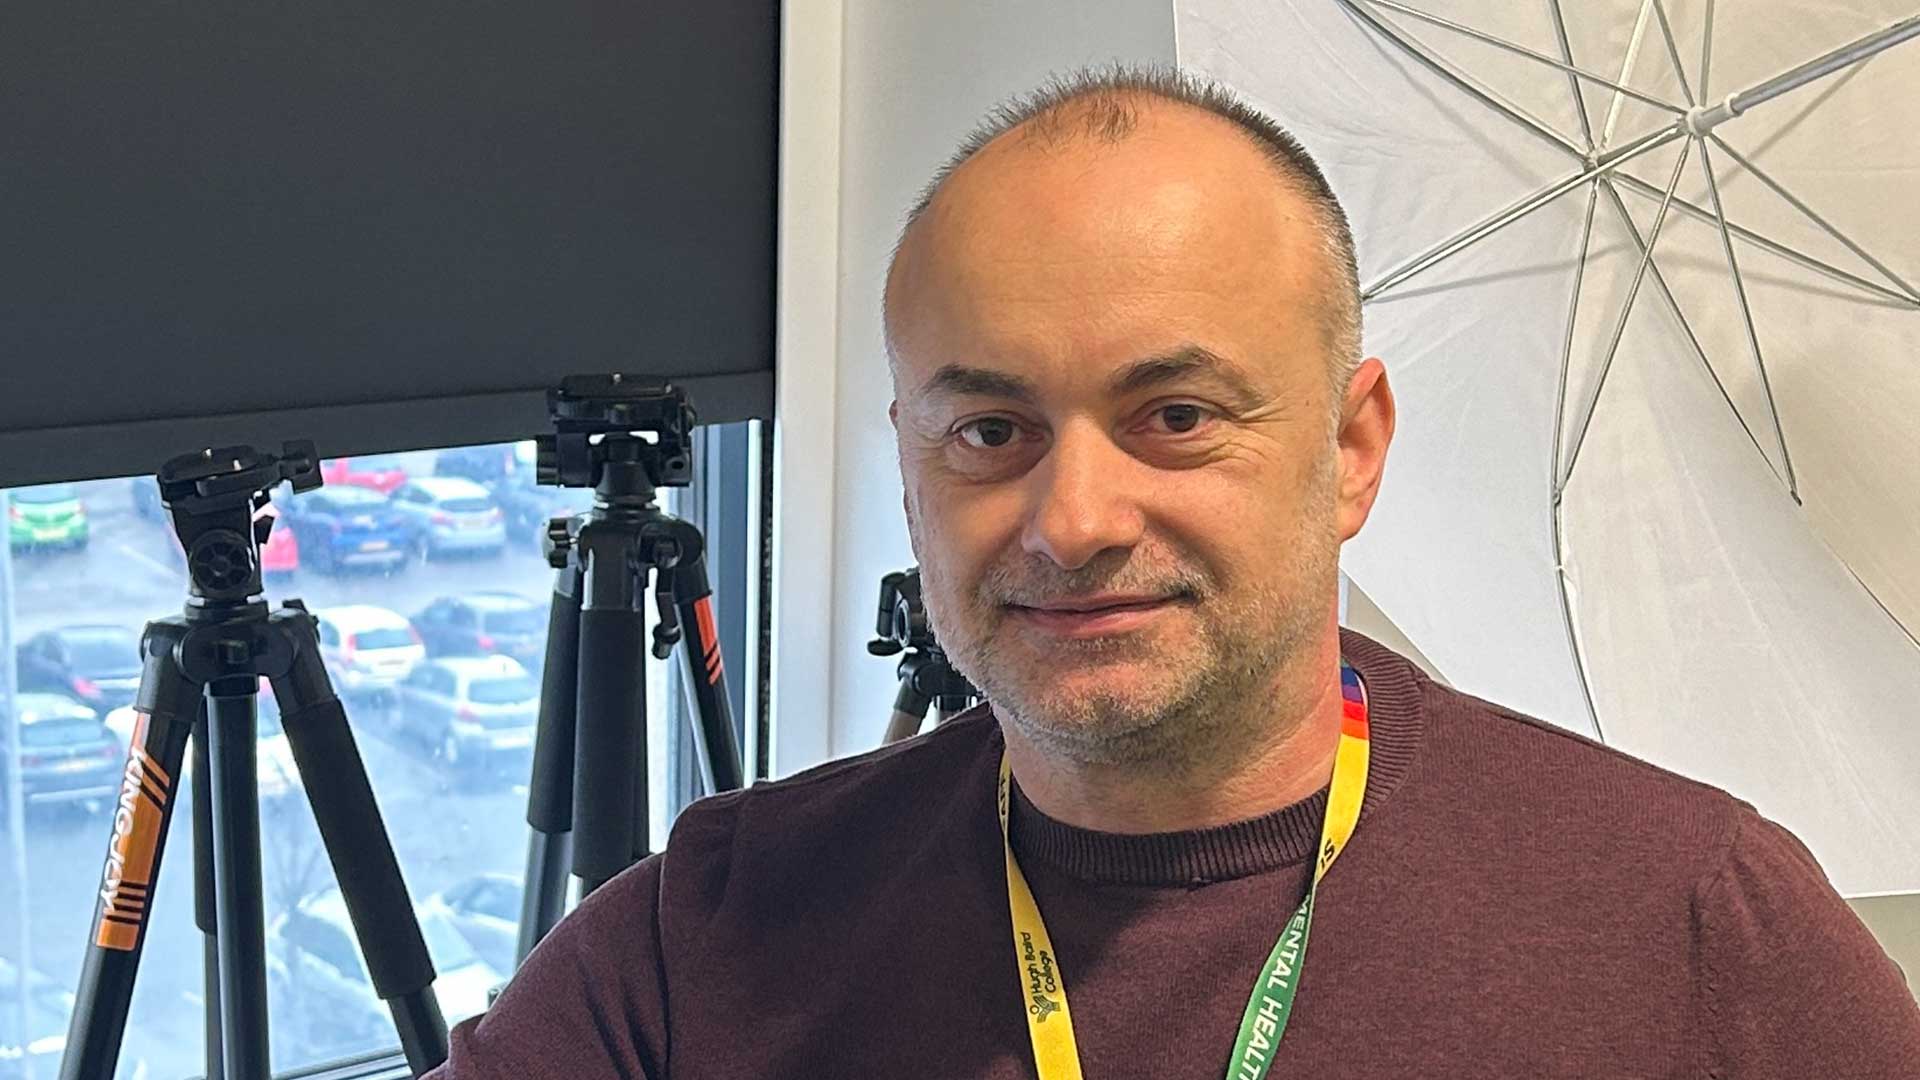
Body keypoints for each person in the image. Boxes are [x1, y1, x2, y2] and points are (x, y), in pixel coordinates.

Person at [426, 67, 1920, 1078]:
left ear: (1350, 448)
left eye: (1178, 416)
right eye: (991, 430)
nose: (1072, 519)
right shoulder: (715, 936)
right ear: (910, 466)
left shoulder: (1693, 929)